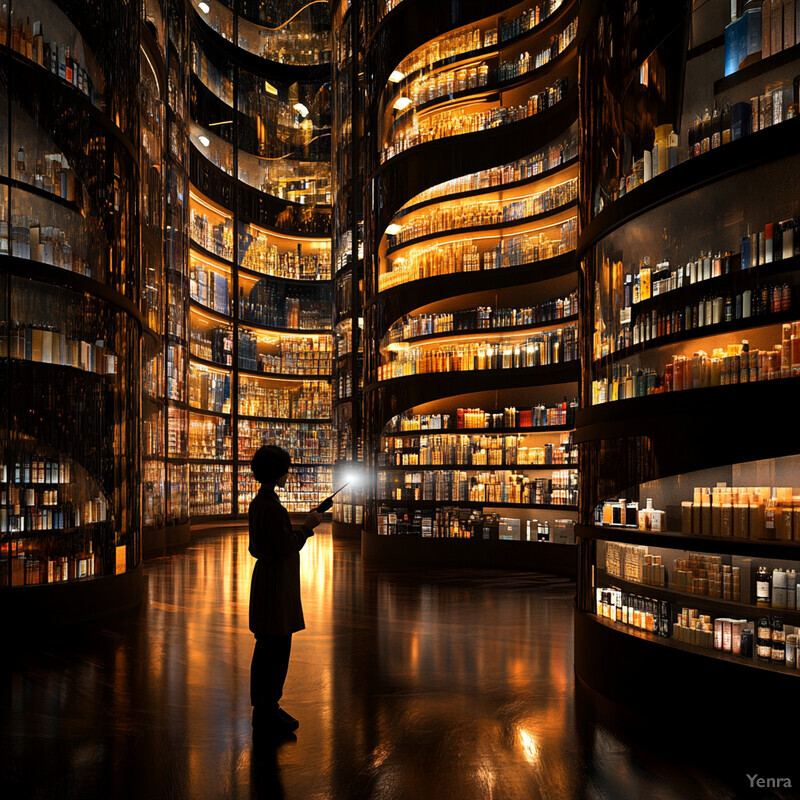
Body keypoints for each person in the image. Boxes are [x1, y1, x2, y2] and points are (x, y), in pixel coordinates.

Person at [248, 444, 322, 735]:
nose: (287, 474)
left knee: (264, 647)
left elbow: (257, 548)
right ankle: (269, 710)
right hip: (278, 585)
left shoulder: (258, 504)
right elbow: (288, 545)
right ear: (278, 472)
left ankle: (263, 708)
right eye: (285, 470)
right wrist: (308, 526)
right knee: (278, 649)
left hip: (265, 580)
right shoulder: (273, 507)